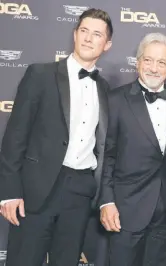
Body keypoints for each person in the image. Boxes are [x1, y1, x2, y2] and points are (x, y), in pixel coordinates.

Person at [0, 8, 113, 266]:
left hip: (80, 193)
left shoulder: (105, 90)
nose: (88, 38)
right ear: (74, 35)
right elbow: (15, 136)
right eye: (83, 31)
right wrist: (9, 192)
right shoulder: (40, 74)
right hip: (35, 191)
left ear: (107, 44)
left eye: (96, 34)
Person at [98, 32, 166, 266]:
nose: (154, 68)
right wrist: (106, 201)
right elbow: (106, 155)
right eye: (148, 60)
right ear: (137, 62)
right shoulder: (115, 100)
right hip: (125, 209)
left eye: (161, 62)